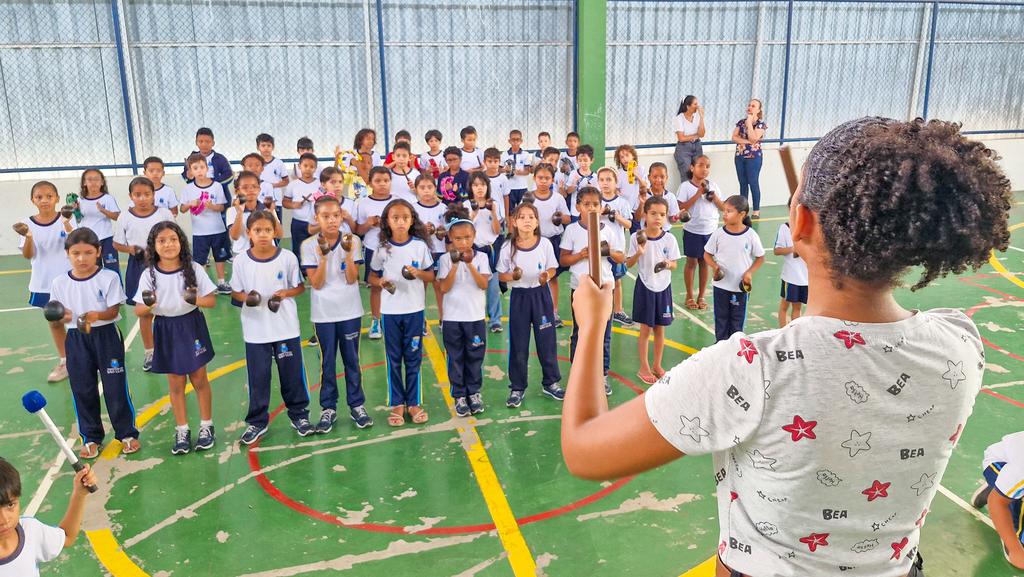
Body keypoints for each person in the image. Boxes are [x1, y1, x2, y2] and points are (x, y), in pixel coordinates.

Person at [560, 117, 1012, 577]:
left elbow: (584, 449)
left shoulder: (752, 368)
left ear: (799, 221)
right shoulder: (960, 343)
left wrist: (593, 325)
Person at [50, 227, 139, 457]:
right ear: (67, 253)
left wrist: (94, 316)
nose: (82, 259)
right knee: (82, 388)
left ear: (98, 252)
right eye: (76, 253)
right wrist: (64, 316)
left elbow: (112, 311)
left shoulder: (108, 277)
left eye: (88, 252)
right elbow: (60, 314)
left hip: (106, 336)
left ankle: (126, 433)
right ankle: (90, 437)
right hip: (77, 340)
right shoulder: (59, 283)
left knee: (115, 386)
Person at [135, 221, 217, 454]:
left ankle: (206, 426)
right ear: (153, 246)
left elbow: (210, 301)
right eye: (161, 241)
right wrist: (149, 303)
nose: (168, 244)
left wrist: (195, 300)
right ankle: (182, 429)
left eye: (173, 239)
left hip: (191, 326)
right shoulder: (148, 275)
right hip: (165, 328)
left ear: (181, 242)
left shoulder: (194, 268)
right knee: (176, 383)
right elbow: (139, 311)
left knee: (199, 378)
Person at [230, 210, 312, 444]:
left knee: (292, 375)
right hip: (256, 331)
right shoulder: (241, 261)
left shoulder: (287, 257)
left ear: (275, 231)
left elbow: (299, 287)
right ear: (249, 234)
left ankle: (299, 415)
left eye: (267, 230)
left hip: (285, 328)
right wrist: (247, 297)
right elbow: (235, 291)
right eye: (258, 231)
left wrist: (286, 293)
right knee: (259, 377)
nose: (263, 235)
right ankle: (257, 422)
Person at [301, 196, 373, 431]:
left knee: (352, 360)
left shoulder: (353, 241)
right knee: (327, 362)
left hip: (350, 310)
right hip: (323, 313)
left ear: (342, 216)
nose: (331, 221)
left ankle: (357, 405)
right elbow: (317, 284)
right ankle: (328, 408)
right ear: (316, 218)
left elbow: (353, 278)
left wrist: (349, 253)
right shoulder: (308, 245)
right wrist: (323, 258)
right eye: (325, 216)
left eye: (336, 216)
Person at [369, 199, 435, 426]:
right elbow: (371, 277)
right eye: (395, 218)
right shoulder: (382, 248)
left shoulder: (419, 246)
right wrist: (381, 282)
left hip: (414, 311)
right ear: (387, 221)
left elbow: (431, 275)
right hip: (390, 312)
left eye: (405, 218)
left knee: (414, 358)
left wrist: (418, 273)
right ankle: (397, 402)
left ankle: (414, 402)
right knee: (393, 358)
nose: (400, 222)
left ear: (412, 220)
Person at [561, 186, 626, 396]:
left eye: (595, 204)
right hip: (580, 289)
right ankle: (577, 375)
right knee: (580, 333)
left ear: (602, 207)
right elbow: (563, 259)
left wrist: (607, 251)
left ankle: (602, 375)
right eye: (586, 204)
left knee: (604, 334)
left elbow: (621, 257)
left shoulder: (607, 230)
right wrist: (580, 255)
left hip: (605, 288)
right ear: (578, 206)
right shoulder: (572, 230)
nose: (591, 208)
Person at [496, 202, 561, 408]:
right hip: (520, 297)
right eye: (522, 217)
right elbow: (502, 275)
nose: (526, 220)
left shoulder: (545, 244)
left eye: (531, 217)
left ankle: (551, 382)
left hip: (541, 295)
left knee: (547, 341)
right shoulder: (508, 246)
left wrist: (546, 275)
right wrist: (512, 276)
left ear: (537, 222)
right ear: (514, 222)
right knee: (519, 343)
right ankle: (517, 387)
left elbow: (552, 268)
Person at [15, 181, 75, 382]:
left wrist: (67, 224)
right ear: (33, 200)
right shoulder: (27, 224)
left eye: (49, 196)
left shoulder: (67, 219)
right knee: (55, 322)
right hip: (43, 282)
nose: (44, 200)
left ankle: (88, 358)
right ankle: (66, 361)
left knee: (76, 319)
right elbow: (28, 255)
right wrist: (29, 237)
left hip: (69, 280)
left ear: (57, 198)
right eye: (39, 197)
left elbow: (75, 244)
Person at [112, 177, 173, 371]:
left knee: (169, 308)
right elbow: (117, 243)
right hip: (138, 267)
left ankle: (172, 348)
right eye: (138, 195)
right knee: (145, 311)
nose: (143, 198)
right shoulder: (125, 216)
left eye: (147, 194)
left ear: (154, 195)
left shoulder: (164, 214)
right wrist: (131, 249)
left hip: (165, 264)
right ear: (131, 196)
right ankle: (150, 352)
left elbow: (175, 237)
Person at [0, 457, 97, 577]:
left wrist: (79, 494)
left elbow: (67, 536)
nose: (4, 520)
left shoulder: (30, 530)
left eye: (10, 505)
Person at [438, 205, 492, 416]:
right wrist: (454, 265)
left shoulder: (482, 258)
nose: (463, 242)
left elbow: (483, 284)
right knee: (456, 357)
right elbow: (444, 287)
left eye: (467, 238)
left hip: (475, 316)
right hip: (453, 317)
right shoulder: (444, 260)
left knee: (475, 356)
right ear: (450, 238)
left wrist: (469, 265)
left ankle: (474, 392)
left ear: (474, 236)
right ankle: (459, 395)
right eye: (458, 239)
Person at [626, 196, 681, 384]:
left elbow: (674, 264)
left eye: (662, 214)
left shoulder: (670, 239)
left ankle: (657, 365)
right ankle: (644, 367)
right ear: (645, 215)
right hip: (645, 286)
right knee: (645, 330)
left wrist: (667, 264)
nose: (658, 218)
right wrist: (638, 253)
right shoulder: (636, 237)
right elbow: (629, 264)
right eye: (653, 213)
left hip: (663, 287)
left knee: (660, 329)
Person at [704, 195, 765, 342]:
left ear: (742, 214)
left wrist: (749, 273)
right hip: (721, 286)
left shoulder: (750, 235)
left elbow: (760, 257)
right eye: (724, 211)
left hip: (740, 288)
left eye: (729, 211)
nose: (724, 214)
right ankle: (721, 347)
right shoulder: (718, 233)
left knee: (737, 322)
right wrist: (714, 266)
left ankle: (736, 350)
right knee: (721, 319)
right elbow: (707, 254)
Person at [678, 155, 725, 311]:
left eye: (707, 166)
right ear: (692, 168)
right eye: (701, 165)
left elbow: (723, 207)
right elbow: (681, 206)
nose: (704, 169)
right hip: (692, 230)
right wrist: (698, 193)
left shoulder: (714, 186)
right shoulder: (685, 186)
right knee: (691, 263)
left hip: (710, 230)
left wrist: (713, 197)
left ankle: (701, 296)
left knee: (705, 263)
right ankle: (689, 295)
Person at [971, 431, 1024, 569]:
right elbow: (997, 502)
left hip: (1014, 475)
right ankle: (1015, 537)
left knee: (1011, 487)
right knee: (1007, 497)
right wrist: (1015, 550)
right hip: (999, 463)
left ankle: (1005, 489)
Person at [180, 153, 231, 294]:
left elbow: (222, 207)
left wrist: (212, 206)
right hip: (199, 232)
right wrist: (190, 203)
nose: (199, 170)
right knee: (200, 260)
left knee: (220, 257)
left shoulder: (217, 186)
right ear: (190, 172)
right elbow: (182, 209)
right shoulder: (188, 189)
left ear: (207, 168)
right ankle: (203, 284)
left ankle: (222, 282)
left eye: (202, 167)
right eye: (195, 168)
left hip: (218, 229)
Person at [355, 167, 397, 340]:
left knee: (398, 284)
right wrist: (368, 224)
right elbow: (358, 229)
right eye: (378, 181)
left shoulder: (397, 201)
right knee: (376, 285)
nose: (382, 184)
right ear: (370, 182)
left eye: (386, 180)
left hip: (395, 248)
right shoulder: (363, 202)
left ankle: (396, 319)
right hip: (373, 247)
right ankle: (375, 320)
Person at [529, 163, 571, 328]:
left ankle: (553, 311)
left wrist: (560, 217)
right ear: (534, 179)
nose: (543, 181)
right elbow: (520, 215)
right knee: (534, 277)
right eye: (540, 178)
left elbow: (567, 218)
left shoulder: (558, 198)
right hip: (534, 241)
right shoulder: (529, 197)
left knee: (552, 277)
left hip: (553, 241)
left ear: (552, 180)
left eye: (547, 178)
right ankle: (535, 312)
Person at [464, 173, 504, 333]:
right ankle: (475, 317)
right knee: (473, 285)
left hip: (491, 249)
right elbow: (465, 229)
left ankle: (495, 319)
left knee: (493, 286)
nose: (479, 188)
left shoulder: (493, 204)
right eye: (476, 185)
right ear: (471, 188)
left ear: (487, 187)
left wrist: (493, 212)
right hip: (473, 249)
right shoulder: (467, 205)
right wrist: (473, 215)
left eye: (482, 185)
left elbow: (497, 230)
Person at [597, 166, 636, 326]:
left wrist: (616, 216)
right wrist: (601, 212)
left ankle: (618, 310)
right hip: (598, 246)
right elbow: (588, 218)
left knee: (617, 280)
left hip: (617, 247)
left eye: (609, 180)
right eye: (602, 180)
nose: (605, 183)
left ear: (616, 182)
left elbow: (629, 224)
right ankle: (599, 309)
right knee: (598, 280)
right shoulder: (596, 201)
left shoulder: (622, 203)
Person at [75, 169, 121, 276]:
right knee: (93, 270)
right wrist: (75, 211)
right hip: (88, 240)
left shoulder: (107, 199)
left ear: (102, 182)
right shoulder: (79, 200)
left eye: (96, 179)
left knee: (113, 269)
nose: (93, 182)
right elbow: (78, 220)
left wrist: (103, 210)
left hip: (107, 239)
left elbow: (117, 216)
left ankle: (116, 291)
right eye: (90, 179)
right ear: (84, 183)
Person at [227, 171, 283, 256]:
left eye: (254, 187)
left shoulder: (266, 208)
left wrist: (271, 212)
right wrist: (240, 213)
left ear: (259, 189)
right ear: (237, 191)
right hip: (242, 254)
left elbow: (279, 234)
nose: (250, 190)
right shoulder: (232, 211)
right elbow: (235, 236)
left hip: (267, 252)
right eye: (245, 187)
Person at [181, 127, 234, 208]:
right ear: (196, 142)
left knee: (221, 217)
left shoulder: (220, 158)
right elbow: (187, 176)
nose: (204, 144)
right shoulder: (191, 158)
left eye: (207, 142)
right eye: (200, 141)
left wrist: (212, 184)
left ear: (213, 143)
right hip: (198, 195)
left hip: (217, 197)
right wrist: (188, 176)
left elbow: (229, 175)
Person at [732, 99, 767, 219]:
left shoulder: (760, 124)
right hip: (740, 156)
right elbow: (734, 137)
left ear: (758, 110)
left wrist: (749, 124)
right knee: (742, 183)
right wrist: (747, 141)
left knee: (753, 182)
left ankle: (756, 210)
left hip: (753, 158)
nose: (750, 107)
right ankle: (743, 209)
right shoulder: (740, 122)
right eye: (749, 105)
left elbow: (754, 138)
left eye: (753, 106)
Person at [283, 152, 321, 257]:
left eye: (312, 166)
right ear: (299, 166)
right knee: (299, 250)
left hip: (316, 222)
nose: (308, 169)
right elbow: (285, 202)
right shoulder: (293, 185)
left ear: (316, 168)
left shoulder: (320, 184)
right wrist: (293, 205)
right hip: (298, 223)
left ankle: (315, 272)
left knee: (317, 249)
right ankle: (300, 272)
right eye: (305, 166)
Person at [775, 213, 808, 328]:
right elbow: (777, 250)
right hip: (790, 277)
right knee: (784, 306)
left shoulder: (811, 227)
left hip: (805, 278)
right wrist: (793, 249)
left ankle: (795, 332)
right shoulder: (785, 228)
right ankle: (783, 332)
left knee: (797, 307)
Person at [673, 95, 705, 179]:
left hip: (697, 146)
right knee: (687, 174)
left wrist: (702, 117)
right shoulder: (679, 118)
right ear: (688, 106)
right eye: (695, 104)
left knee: (698, 174)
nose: (698, 106)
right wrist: (695, 135)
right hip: (684, 149)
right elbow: (681, 138)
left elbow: (701, 134)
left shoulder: (698, 117)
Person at [502, 130, 533, 209]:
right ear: (509, 141)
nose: (515, 142)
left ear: (521, 141)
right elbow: (499, 170)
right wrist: (506, 170)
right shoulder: (504, 154)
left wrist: (519, 172)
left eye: (517, 139)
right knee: (510, 211)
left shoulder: (525, 154)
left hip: (522, 187)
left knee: (524, 209)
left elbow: (527, 171)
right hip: (509, 187)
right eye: (513, 139)